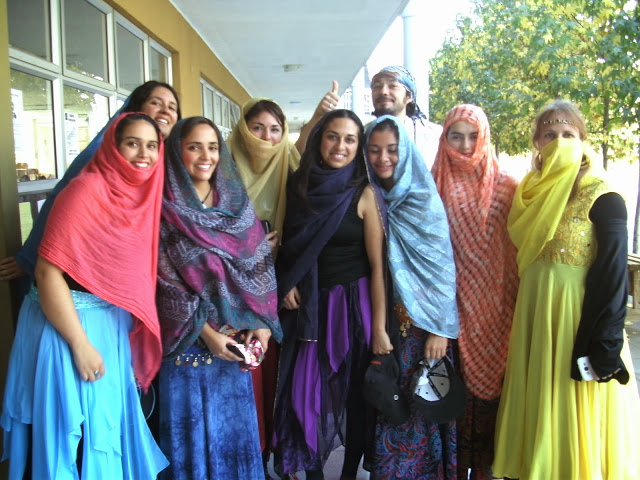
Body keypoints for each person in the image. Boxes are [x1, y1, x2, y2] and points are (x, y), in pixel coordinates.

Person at [0, 112, 168, 479]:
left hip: (106, 325)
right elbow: (47, 273)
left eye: (152, 145)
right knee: (72, 439)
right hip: (67, 327)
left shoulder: (141, 196)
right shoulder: (87, 190)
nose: (144, 154)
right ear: (113, 147)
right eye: (133, 143)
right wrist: (80, 344)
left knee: (104, 432)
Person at [492, 100, 640, 480]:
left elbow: (613, 275)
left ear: (583, 140)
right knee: (540, 404)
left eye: (568, 134)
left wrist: (604, 344)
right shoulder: (529, 195)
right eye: (550, 135)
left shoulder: (603, 195)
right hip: (535, 319)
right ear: (537, 143)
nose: (559, 142)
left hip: (578, 322)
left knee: (573, 406)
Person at [155, 116, 282, 480]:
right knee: (192, 444)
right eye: (194, 147)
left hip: (235, 346)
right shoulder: (164, 208)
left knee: (232, 439)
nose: (205, 156)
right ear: (177, 152)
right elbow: (165, 284)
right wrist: (208, 336)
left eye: (212, 147)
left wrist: (261, 323)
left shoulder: (236, 201)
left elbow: (258, 264)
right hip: (188, 350)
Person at [273, 109, 387, 480]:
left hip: (354, 306)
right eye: (332, 136)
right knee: (307, 395)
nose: (340, 145)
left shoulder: (365, 193)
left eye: (350, 139)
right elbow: (291, 246)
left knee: (355, 397)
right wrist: (287, 281)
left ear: (359, 146)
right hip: (310, 307)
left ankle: (349, 474)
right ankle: (313, 474)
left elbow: (377, 267)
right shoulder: (299, 186)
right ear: (320, 139)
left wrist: (379, 328)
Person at [0, 80, 181, 283]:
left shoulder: (170, 162)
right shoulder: (101, 159)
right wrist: (29, 257)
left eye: (172, 107)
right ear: (137, 107)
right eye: (156, 103)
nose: (165, 111)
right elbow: (62, 208)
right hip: (92, 276)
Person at [365, 115, 458, 480]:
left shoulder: (423, 199)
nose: (383, 158)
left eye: (392, 149)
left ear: (405, 152)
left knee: (424, 409)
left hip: (423, 330)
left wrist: (439, 330)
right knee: (391, 406)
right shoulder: (371, 198)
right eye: (374, 150)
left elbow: (442, 268)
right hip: (387, 325)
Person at [431, 104, 519, 480]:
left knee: (496, 401)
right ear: (444, 138)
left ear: (485, 138)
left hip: (501, 311)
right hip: (450, 312)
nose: (465, 146)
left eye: (473, 136)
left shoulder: (508, 186)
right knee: (453, 398)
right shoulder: (432, 185)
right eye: (456, 136)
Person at [369, 66, 442, 169]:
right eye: (377, 86)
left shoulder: (433, 135)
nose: (383, 91)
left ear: (409, 96)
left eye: (393, 86)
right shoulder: (361, 134)